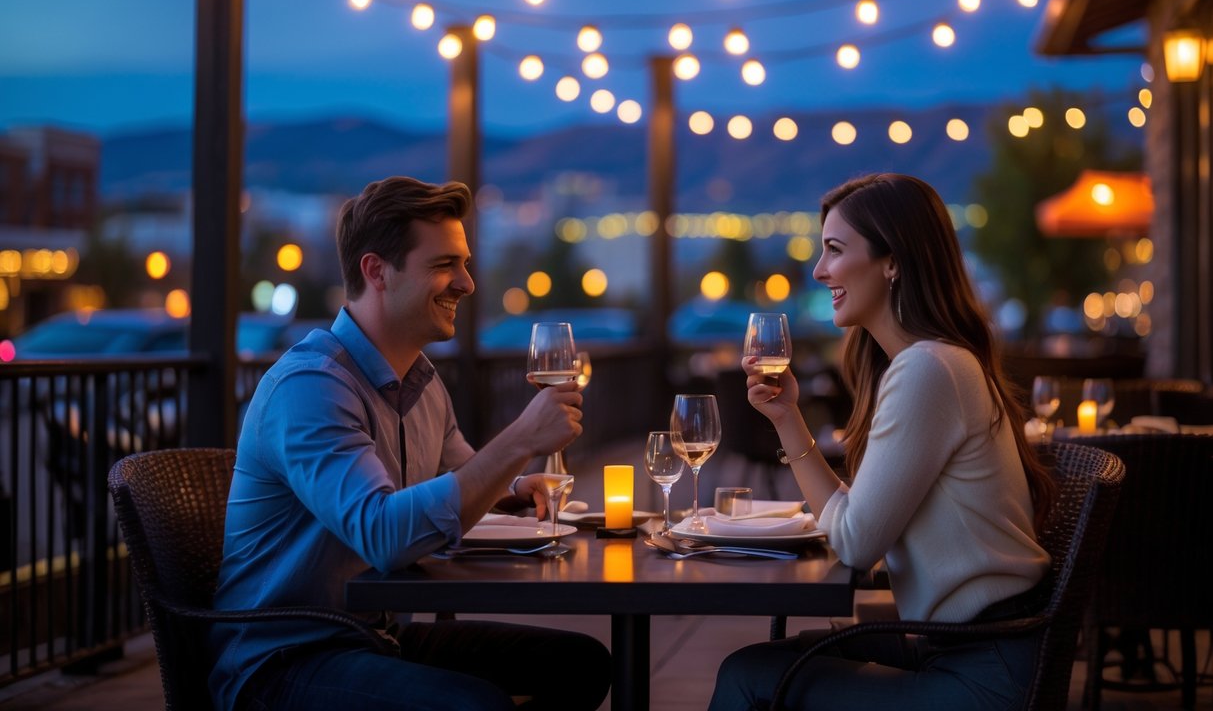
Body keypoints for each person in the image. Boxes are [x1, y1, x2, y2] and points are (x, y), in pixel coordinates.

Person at [209, 177, 611, 711]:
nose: (467, 284)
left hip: (375, 635)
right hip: (282, 659)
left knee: (580, 663)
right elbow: (383, 535)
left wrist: (513, 488)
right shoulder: (310, 388)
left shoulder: (420, 379)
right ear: (376, 271)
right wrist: (521, 439)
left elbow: (461, 469)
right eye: (445, 265)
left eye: (465, 264)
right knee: (474, 704)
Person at [710, 173, 1055, 710]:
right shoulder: (934, 361)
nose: (820, 270)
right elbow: (860, 519)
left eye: (835, 249)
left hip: (983, 673)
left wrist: (796, 438)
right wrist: (786, 418)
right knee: (769, 662)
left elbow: (854, 540)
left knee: (749, 676)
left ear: (892, 260)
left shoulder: (929, 369)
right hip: (972, 647)